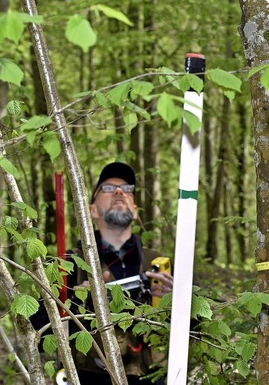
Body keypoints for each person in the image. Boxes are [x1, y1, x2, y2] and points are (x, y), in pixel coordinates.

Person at [33, 162, 173, 384]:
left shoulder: (159, 263)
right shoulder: (69, 264)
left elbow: (196, 329)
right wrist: (77, 306)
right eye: (108, 188)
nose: (119, 192)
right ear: (92, 210)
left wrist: (176, 301)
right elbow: (38, 334)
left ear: (135, 210)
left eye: (127, 189)